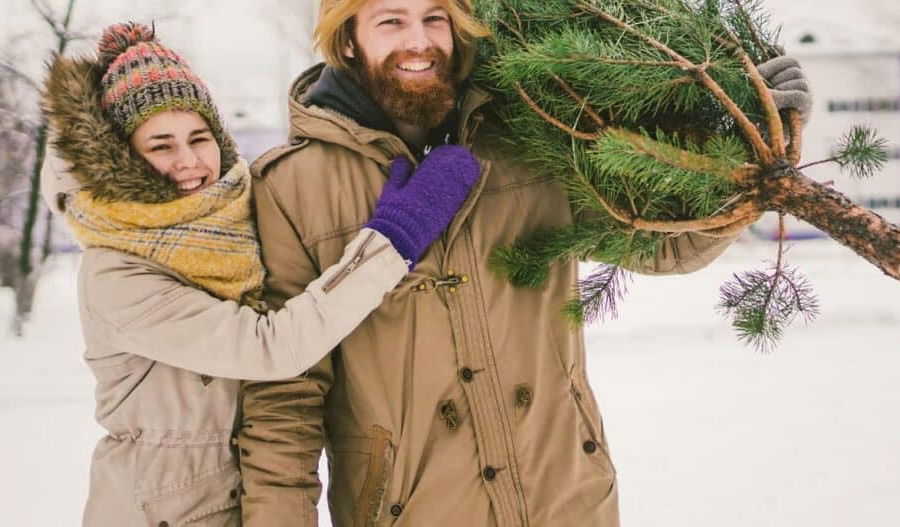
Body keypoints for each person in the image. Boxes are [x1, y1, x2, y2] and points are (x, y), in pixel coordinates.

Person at [237, 1, 814, 525]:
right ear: (348, 40)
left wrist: (755, 143)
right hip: (411, 513)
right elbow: (284, 396)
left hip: (566, 501)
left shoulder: (531, 137)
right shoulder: (291, 187)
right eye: (391, 21)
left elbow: (664, 240)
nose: (419, 40)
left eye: (435, 17)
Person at [39, 21, 478, 526]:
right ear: (121, 160)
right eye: (161, 146)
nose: (189, 162)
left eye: (198, 138)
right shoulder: (117, 275)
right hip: (162, 512)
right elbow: (270, 347)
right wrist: (395, 236)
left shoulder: (231, 221)